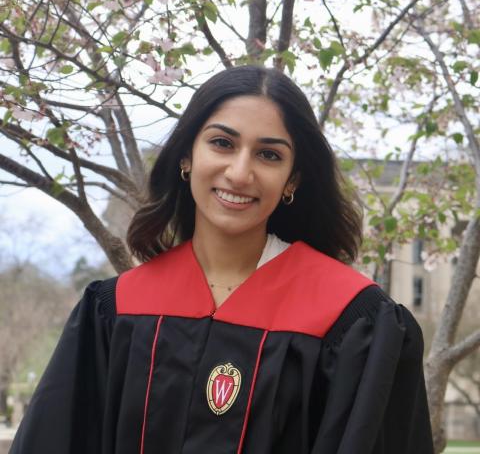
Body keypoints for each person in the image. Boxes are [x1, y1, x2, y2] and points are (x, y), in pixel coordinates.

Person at [10, 65, 434, 454]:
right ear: (186, 156)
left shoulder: (354, 321)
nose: (239, 172)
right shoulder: (115, 310)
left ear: (293, 179)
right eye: (222, 143)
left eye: (269, 154)